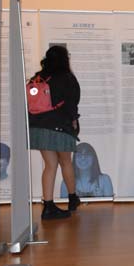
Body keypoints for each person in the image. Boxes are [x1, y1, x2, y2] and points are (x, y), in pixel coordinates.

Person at [28, 45, 81, 219]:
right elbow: (73, 101)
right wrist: (73, 120)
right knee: (66, 162)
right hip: (60, 126)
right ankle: (73, 199)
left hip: (39, 126)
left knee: (50, 165)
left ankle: (48, 206)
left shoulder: (37, 77)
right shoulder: (66, 77)